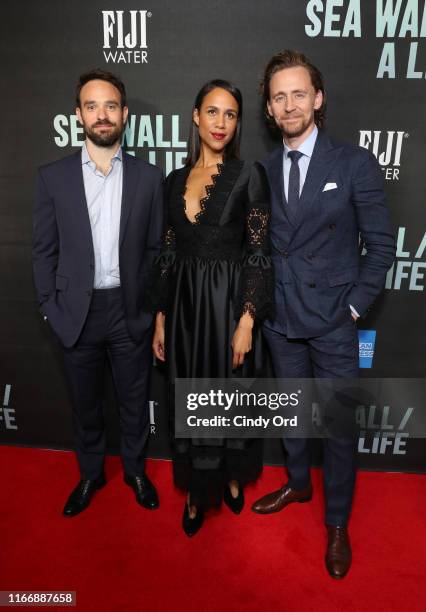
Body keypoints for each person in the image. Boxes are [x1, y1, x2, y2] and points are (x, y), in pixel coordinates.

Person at [251, 51, 396, 578]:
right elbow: (259, 249)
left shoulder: (353, 163)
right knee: (290, 416)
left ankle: (336, 522)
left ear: (318, 98)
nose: (289, 105)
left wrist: (353, 308)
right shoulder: (262, 171)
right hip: (281, 322)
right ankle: (296, 482)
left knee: (337, 428)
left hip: (334, 322)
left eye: (298, 94)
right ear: (269, 108)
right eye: (278, 96)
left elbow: (380, 247)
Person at [32, 69, 163, 517]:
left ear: (124, 114)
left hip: (129, 311)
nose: (102, 115)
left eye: (110, 106)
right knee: (86, 405)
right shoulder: (53, 177)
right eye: (92, 106)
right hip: (76, 312)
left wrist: (149, 307)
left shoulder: (149, 178)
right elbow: (43, 250)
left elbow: (154, 251)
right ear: (78, 115)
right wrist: (52, 308)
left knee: (132, 401)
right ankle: (90, 474)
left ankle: (135, 471)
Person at [150, 79, 273, 536]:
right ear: (196, 116)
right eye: (213, 112)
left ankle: (233, 480)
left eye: (231, 114)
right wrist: (161, 317)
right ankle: (198, 495)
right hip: (183, 311)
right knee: (191, 393)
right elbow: (167, 251)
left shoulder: (249, 175)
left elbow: (259, 252)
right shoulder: (174, 180)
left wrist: (247, 318)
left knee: (230, 393)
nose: (221, 123)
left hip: (228, 309)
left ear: (237, 123)